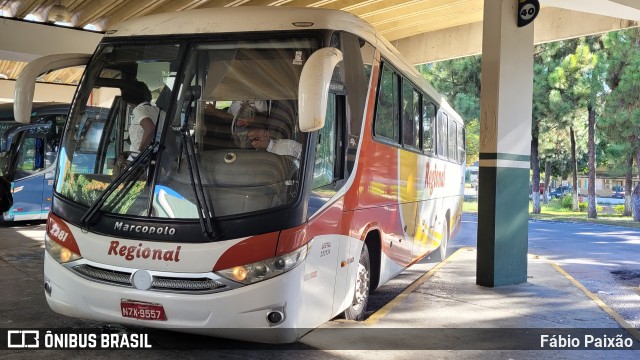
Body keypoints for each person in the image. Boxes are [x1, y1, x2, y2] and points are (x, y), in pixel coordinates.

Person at [121, 81, 165, 153]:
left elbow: (150, 129)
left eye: (128, 102)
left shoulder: (139, 110)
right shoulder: (160, 111)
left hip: (144, 159)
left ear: (130, 100)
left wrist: (141, 152)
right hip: (156, 156)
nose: (129, 104)